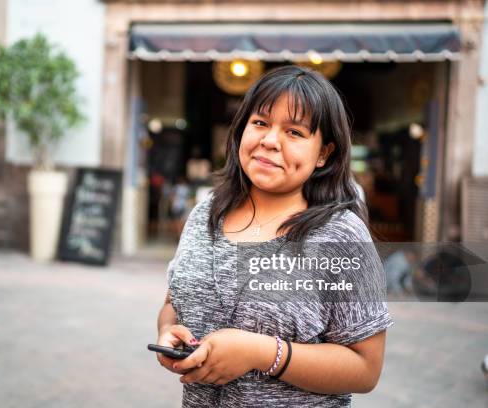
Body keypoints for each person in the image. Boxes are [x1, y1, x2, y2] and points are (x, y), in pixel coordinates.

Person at [154, 65, 394, 407]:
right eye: (261, 123)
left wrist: (263, 352)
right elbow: (172, 304)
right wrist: (168, 332)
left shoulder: (340, 235)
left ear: (324, 153)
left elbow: (366, 368)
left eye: (294, 132)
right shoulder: (205, 214)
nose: (269, 140)